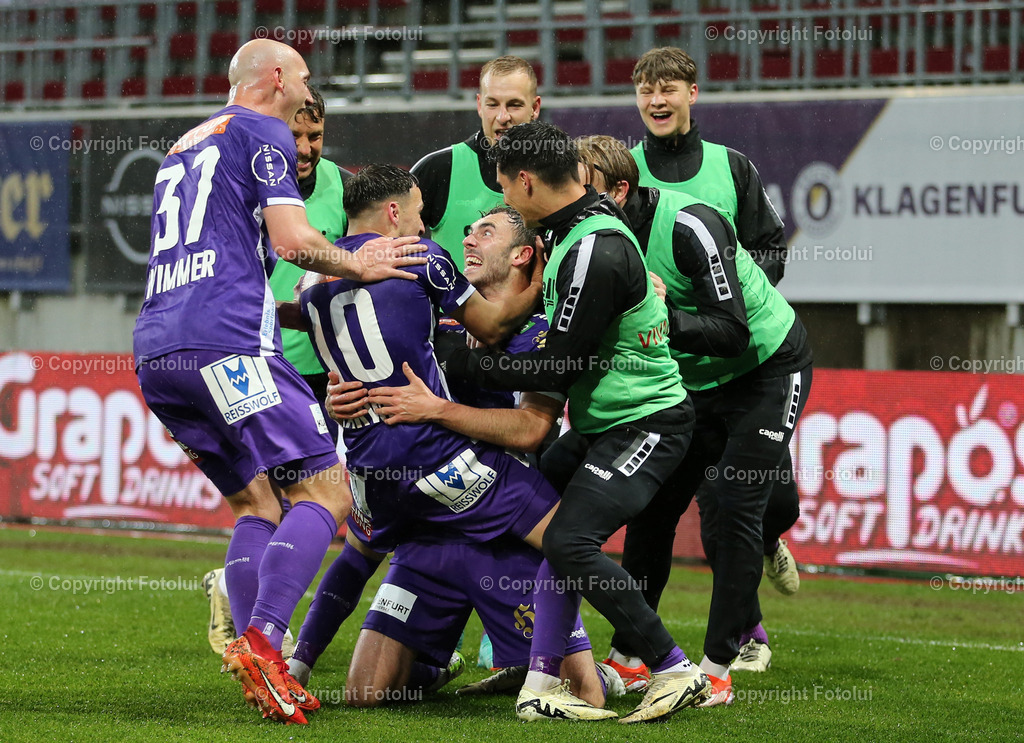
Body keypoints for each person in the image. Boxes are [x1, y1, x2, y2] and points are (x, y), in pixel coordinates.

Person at [132, 39, 424, 725]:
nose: (307, 86)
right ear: (275, 78)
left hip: (157, 348)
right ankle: (266, 640)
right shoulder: (261, 128)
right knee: (327, 489)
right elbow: (293, 240)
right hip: (225, 339)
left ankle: (252, 652)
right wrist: (362, 264)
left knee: (256, 504)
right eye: (303, 75)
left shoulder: (182, 147)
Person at [281, 165, 618, 720]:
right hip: (433, 502)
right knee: (366, 692)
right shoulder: (424, 279)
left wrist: (433, 407)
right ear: (395, 213)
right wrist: (346, 395)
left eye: (484, 232)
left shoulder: (543, 331)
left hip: (486, 512)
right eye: (420, 214)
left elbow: (534, 428)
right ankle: (441, 665)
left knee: (572, 558)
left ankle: (633, 662)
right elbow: (472, 329)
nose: (453, 234)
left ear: (522, 255)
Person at [439, 121, 711, 724]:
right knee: (532, 510)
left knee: (567, 539)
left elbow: (558, 367)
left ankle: (673, 668)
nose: (504, 198)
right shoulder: (569, 235)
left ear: (528, 181)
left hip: (648, 424)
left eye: (506, 186)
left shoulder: (594, 249)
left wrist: (459, 359)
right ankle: (541, 681)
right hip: (602, 425)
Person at [577, 136, 813, 707]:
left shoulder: (689, 224)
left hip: (765, 367)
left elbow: (731, 331)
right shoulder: (589, 234)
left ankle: (719, 667)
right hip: (694, 383)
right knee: (653, 508)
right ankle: (631, 656)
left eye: (584, 194)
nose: (573, 207)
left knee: (733, 506)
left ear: (620, 191)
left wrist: (666, 315)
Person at [630, 45, 803, 606]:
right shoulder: (623, 175)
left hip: (750, 363)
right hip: (680, 376)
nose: (657, 100)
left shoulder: (732, 166)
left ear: (692, 94)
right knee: (715, 503)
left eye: (668, 89)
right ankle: (742, 638)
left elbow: (771, 250)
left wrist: (727, 300)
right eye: (646, 91)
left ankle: (771, 535)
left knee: (774, 503)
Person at [203, 83, 351, 658]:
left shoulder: (342, 186)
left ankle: (249, 612)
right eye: (296, 134)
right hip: (260, 357)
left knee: (305, 500)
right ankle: (263, 631)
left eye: (315, 136)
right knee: (286, 498)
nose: (306, 147)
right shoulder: (248, 174)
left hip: (325, 367)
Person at [411, 55, 540, 268]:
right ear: (480, 105)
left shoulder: (558, 174)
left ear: (535, 108)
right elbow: (392, 247)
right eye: (492, 104)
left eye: (514, 105)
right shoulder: (439, 170)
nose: (502, 117)